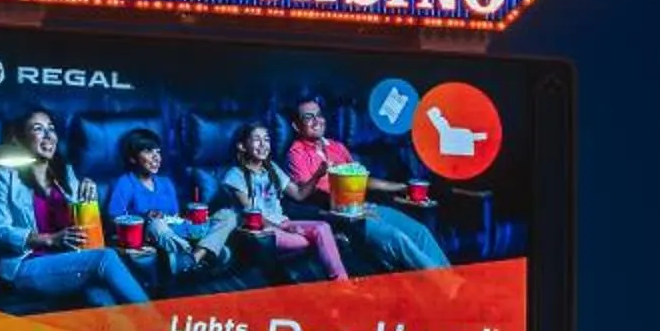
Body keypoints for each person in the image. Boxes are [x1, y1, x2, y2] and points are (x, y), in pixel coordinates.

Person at [0, 105, 147, 306]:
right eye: (38, 129)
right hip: (27, 264)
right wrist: (49, 239)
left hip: (70, 260)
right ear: (20, 138)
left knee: (102, 299)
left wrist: (89, 195)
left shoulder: (66, 173)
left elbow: (84, 223)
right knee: (105, 258)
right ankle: (160, 327)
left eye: (51, 128)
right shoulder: (4, 176)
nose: (48, 135)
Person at [281, 95, 447, 272]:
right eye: (308, 117)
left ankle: (455, 279)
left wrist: (402, 187)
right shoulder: (295, 154)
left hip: (365, 207)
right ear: (296, 126)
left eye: (319, 114)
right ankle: (448, 285)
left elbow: (362, 180)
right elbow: (309, 194)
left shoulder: (337, 147)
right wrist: (350, 207)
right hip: (342, 217)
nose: (316, 121)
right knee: (398, 239)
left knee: (420, 232)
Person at [219, 122, 346, 278]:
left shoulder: (272, 168)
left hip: (282, 224)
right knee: (320, 240)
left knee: (323, 227)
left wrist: (317, 175)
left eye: (266, 139)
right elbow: (250, 214)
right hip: (261, 231)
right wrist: (283, 229)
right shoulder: (235, 175)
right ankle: (327, 242)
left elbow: (299, 194)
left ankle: (342, 284)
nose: (263, 144)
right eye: (257, 139)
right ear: (242, 146)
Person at [104, 129, 236, 275]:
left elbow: (175, 216)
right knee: (156, 224)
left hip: (179, 230)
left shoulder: (166, 183)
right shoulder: (125, 183)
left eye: (158, 152)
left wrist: (192, 220)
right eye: (149, 152)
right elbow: (114, 219)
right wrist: (145, 217)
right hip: (155, 232)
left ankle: (193, 257)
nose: (156, 158)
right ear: (132, 158)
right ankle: (207, 252)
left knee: (228, 215)